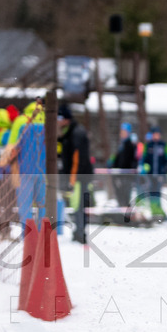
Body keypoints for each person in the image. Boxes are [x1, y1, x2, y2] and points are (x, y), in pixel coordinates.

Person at [57, 103, 94, 244]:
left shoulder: (76, 132)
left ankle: (80, 233)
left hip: (79, 177)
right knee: (76, 205)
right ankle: (78, 231)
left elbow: (78, 159)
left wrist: (72, 179)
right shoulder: (68, 132)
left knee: (79, 206)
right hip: (76, 176)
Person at [142, 126, 167, 221]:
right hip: (150, 174)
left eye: (158, 134)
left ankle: (158, 211)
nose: (156, 136)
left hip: (160, 174)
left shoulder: (164, 145)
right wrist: (145, 167)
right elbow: (144, 158)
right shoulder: (148, 145)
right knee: (151, 193)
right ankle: (154, 212)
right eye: (154, 134)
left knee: (157, 193)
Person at [111, 123, 138, 208]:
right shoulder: (122, 145)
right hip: (121, 174)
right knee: (120, 194)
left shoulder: (130, 145)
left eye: (124, 132)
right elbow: (118, 159)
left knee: (126, 195)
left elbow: (132, 160)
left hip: (127, 175)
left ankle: (126, 213)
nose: (121, 134)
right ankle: (122, 210)